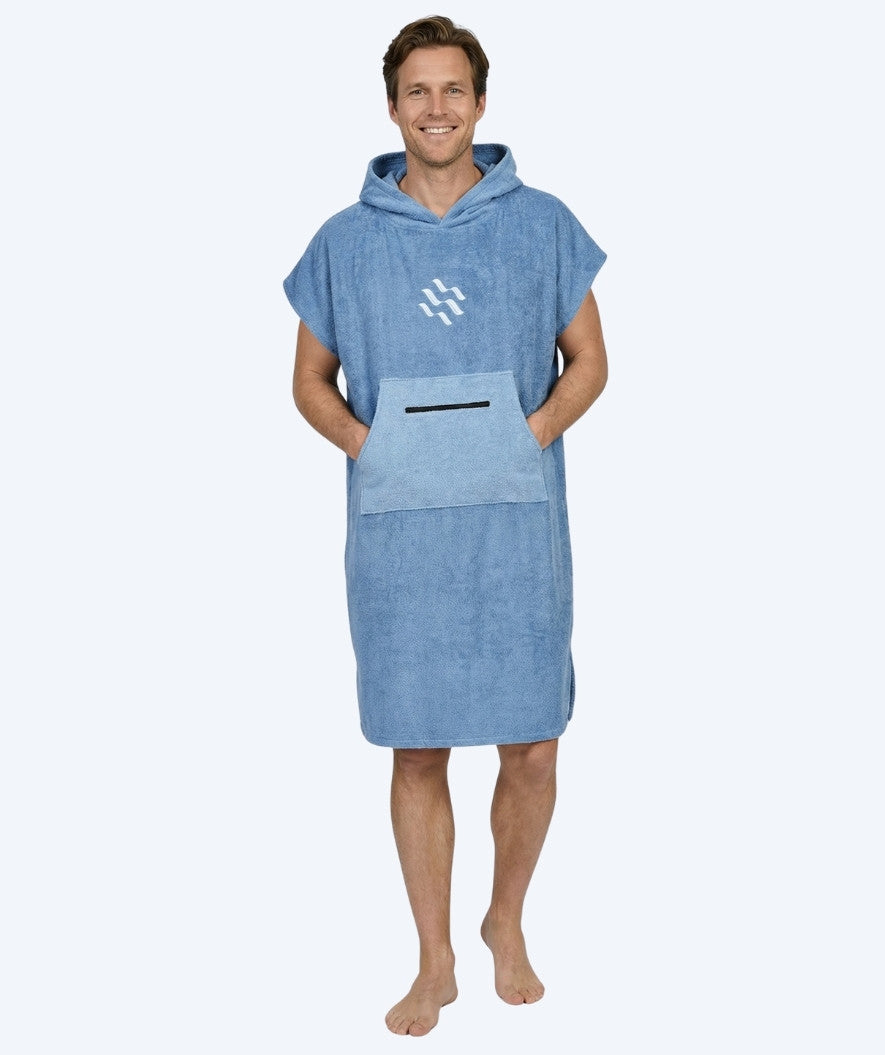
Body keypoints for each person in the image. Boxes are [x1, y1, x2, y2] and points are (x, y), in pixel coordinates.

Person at [284, 15, 608, 1037]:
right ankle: (434, 958)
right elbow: (309, 380)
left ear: (480, 102)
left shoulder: (542, 225)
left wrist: (525, 436)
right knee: (417, 748)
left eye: (453, 89)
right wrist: (372, 446)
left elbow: (590, 361)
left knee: (534, 743)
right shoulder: (343, 242)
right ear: (391, 107)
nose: (436, 107)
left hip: (516, 531)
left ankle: (505, 918)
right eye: (417, 90)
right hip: (400, 536)